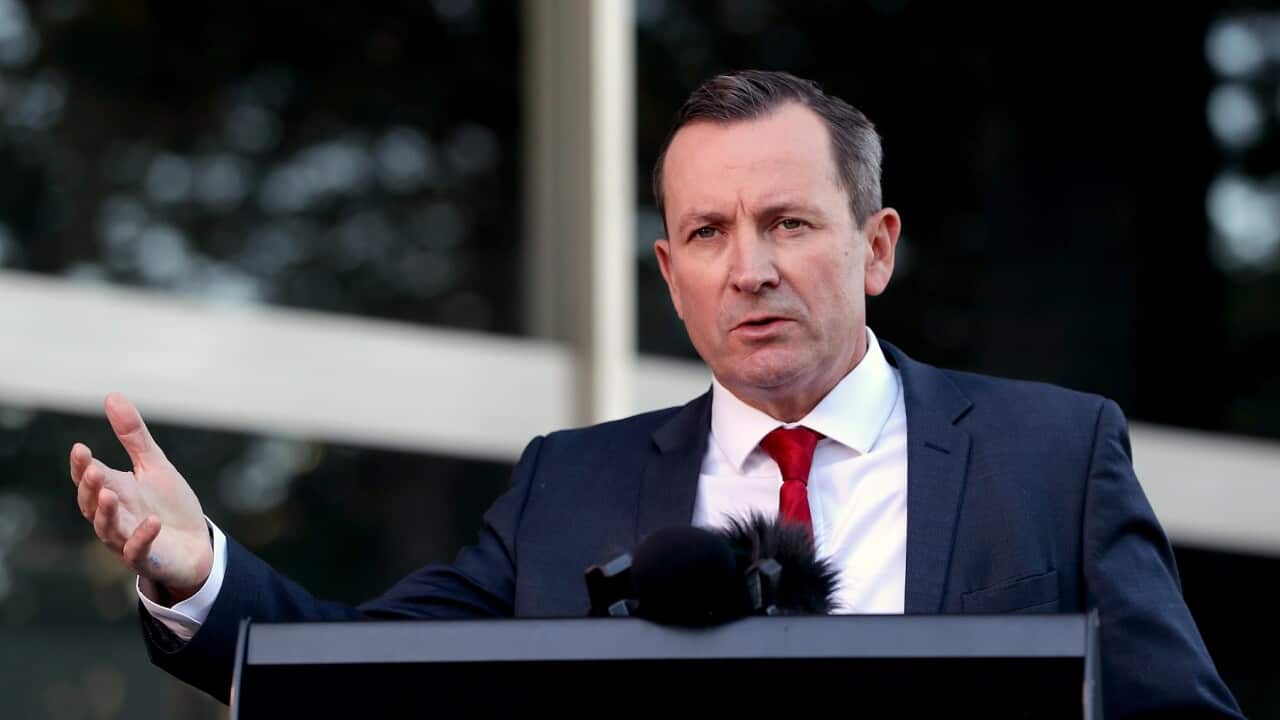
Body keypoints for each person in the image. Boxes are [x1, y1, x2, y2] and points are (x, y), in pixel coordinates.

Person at [67, 70, 1242, 717]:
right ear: (670, 277)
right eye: (706, 232)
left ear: (875, 247)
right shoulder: (566, 489)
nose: (751, 267)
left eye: (788, 222)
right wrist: (196, 570)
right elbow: (354, 682)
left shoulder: (1049, 454)